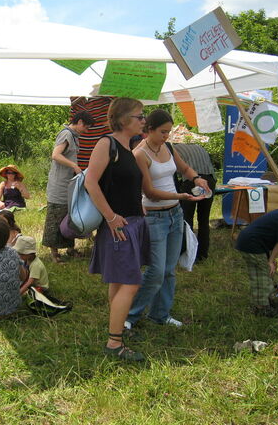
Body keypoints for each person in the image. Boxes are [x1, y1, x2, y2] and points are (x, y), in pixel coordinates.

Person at [126, 110, 209, 331]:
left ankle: (160, 314)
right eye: (162, 132)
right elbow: (150, 192)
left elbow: (184, 168)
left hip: (175, 214)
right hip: (154, 217)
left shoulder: (169, 147)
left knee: (169, 270)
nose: (166, 136)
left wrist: (197, 178)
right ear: (149, 129)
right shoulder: (139, 154)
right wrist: (181, 196)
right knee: (156, 271)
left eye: (168, 132)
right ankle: (130, 315)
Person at [84, 97, 150, 362]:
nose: (144, 120)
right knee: (131, 282)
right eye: (139, 116)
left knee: (119, 281)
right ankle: (114, 343)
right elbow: (90, 182)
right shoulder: (106, 143)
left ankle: (118, 327)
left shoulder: (128, 146)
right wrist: (110, 217)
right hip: (118, 226)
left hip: (131, 222)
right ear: (123, 119)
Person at [42, 111, 95, 263]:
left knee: (69, 217)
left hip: (68, 184)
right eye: (86, 127)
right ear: (80, 122)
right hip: (59, 185)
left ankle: (70, 249)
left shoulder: (74, 136)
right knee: (56, 218)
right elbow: (56, 155)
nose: (86, 131)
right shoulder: (66, 134)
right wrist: (74, 166)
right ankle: (54, 254)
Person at [174, 142, 217, 262]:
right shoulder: (198, 146)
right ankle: (203, 254)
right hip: (210, 180)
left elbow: (173, 173)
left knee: (187, 219)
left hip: (192, 181)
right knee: (204, 219)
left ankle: (187, 253)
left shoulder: (172, 149)